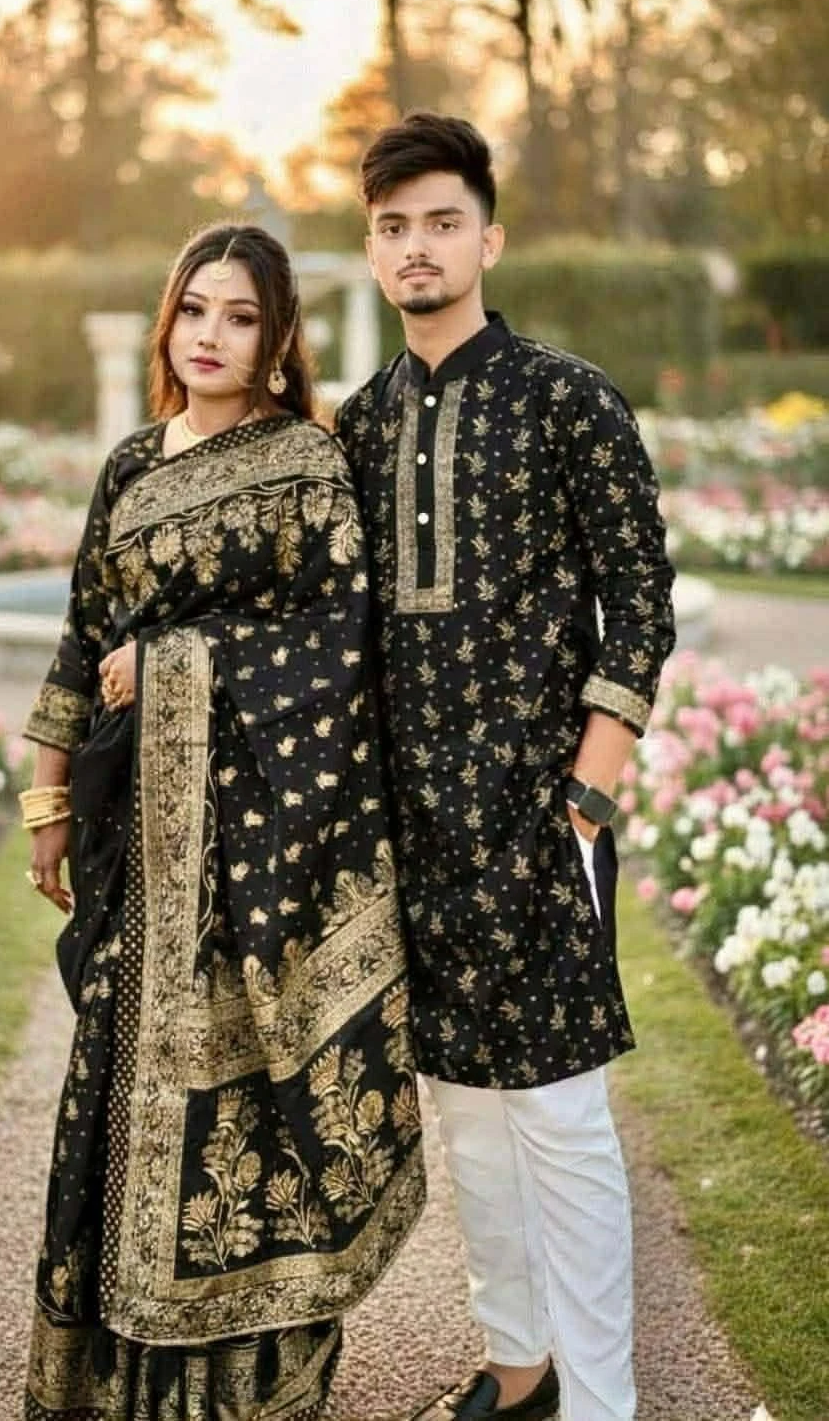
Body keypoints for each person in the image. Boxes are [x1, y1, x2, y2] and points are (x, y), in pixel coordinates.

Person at [19, 222, 425, 1421]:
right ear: (168, 319)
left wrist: (176, 663)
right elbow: (82, 637)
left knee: (252, 1096)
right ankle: (116, 1375)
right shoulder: (131, 468)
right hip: (139, 847)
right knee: (124, 1085)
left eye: (241, 317)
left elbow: (340, 644)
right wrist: (48, 797)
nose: (210, 335)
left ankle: (251, 1379)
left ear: (279, 336)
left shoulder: (307, 464)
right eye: (194, 309)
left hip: (260, 850)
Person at [335, 114, 677, 1421]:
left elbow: (637, 595)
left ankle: (601, 1403)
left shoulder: (565, 398)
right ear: (371, 251)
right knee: (466, 1114)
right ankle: (517, 1366)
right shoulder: (358, 426)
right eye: (392, 227)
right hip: (415, 827)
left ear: (488, 238)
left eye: (441, 221)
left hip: (541, 818)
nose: (416, 246)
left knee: (562, 1120)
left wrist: (588, 789)